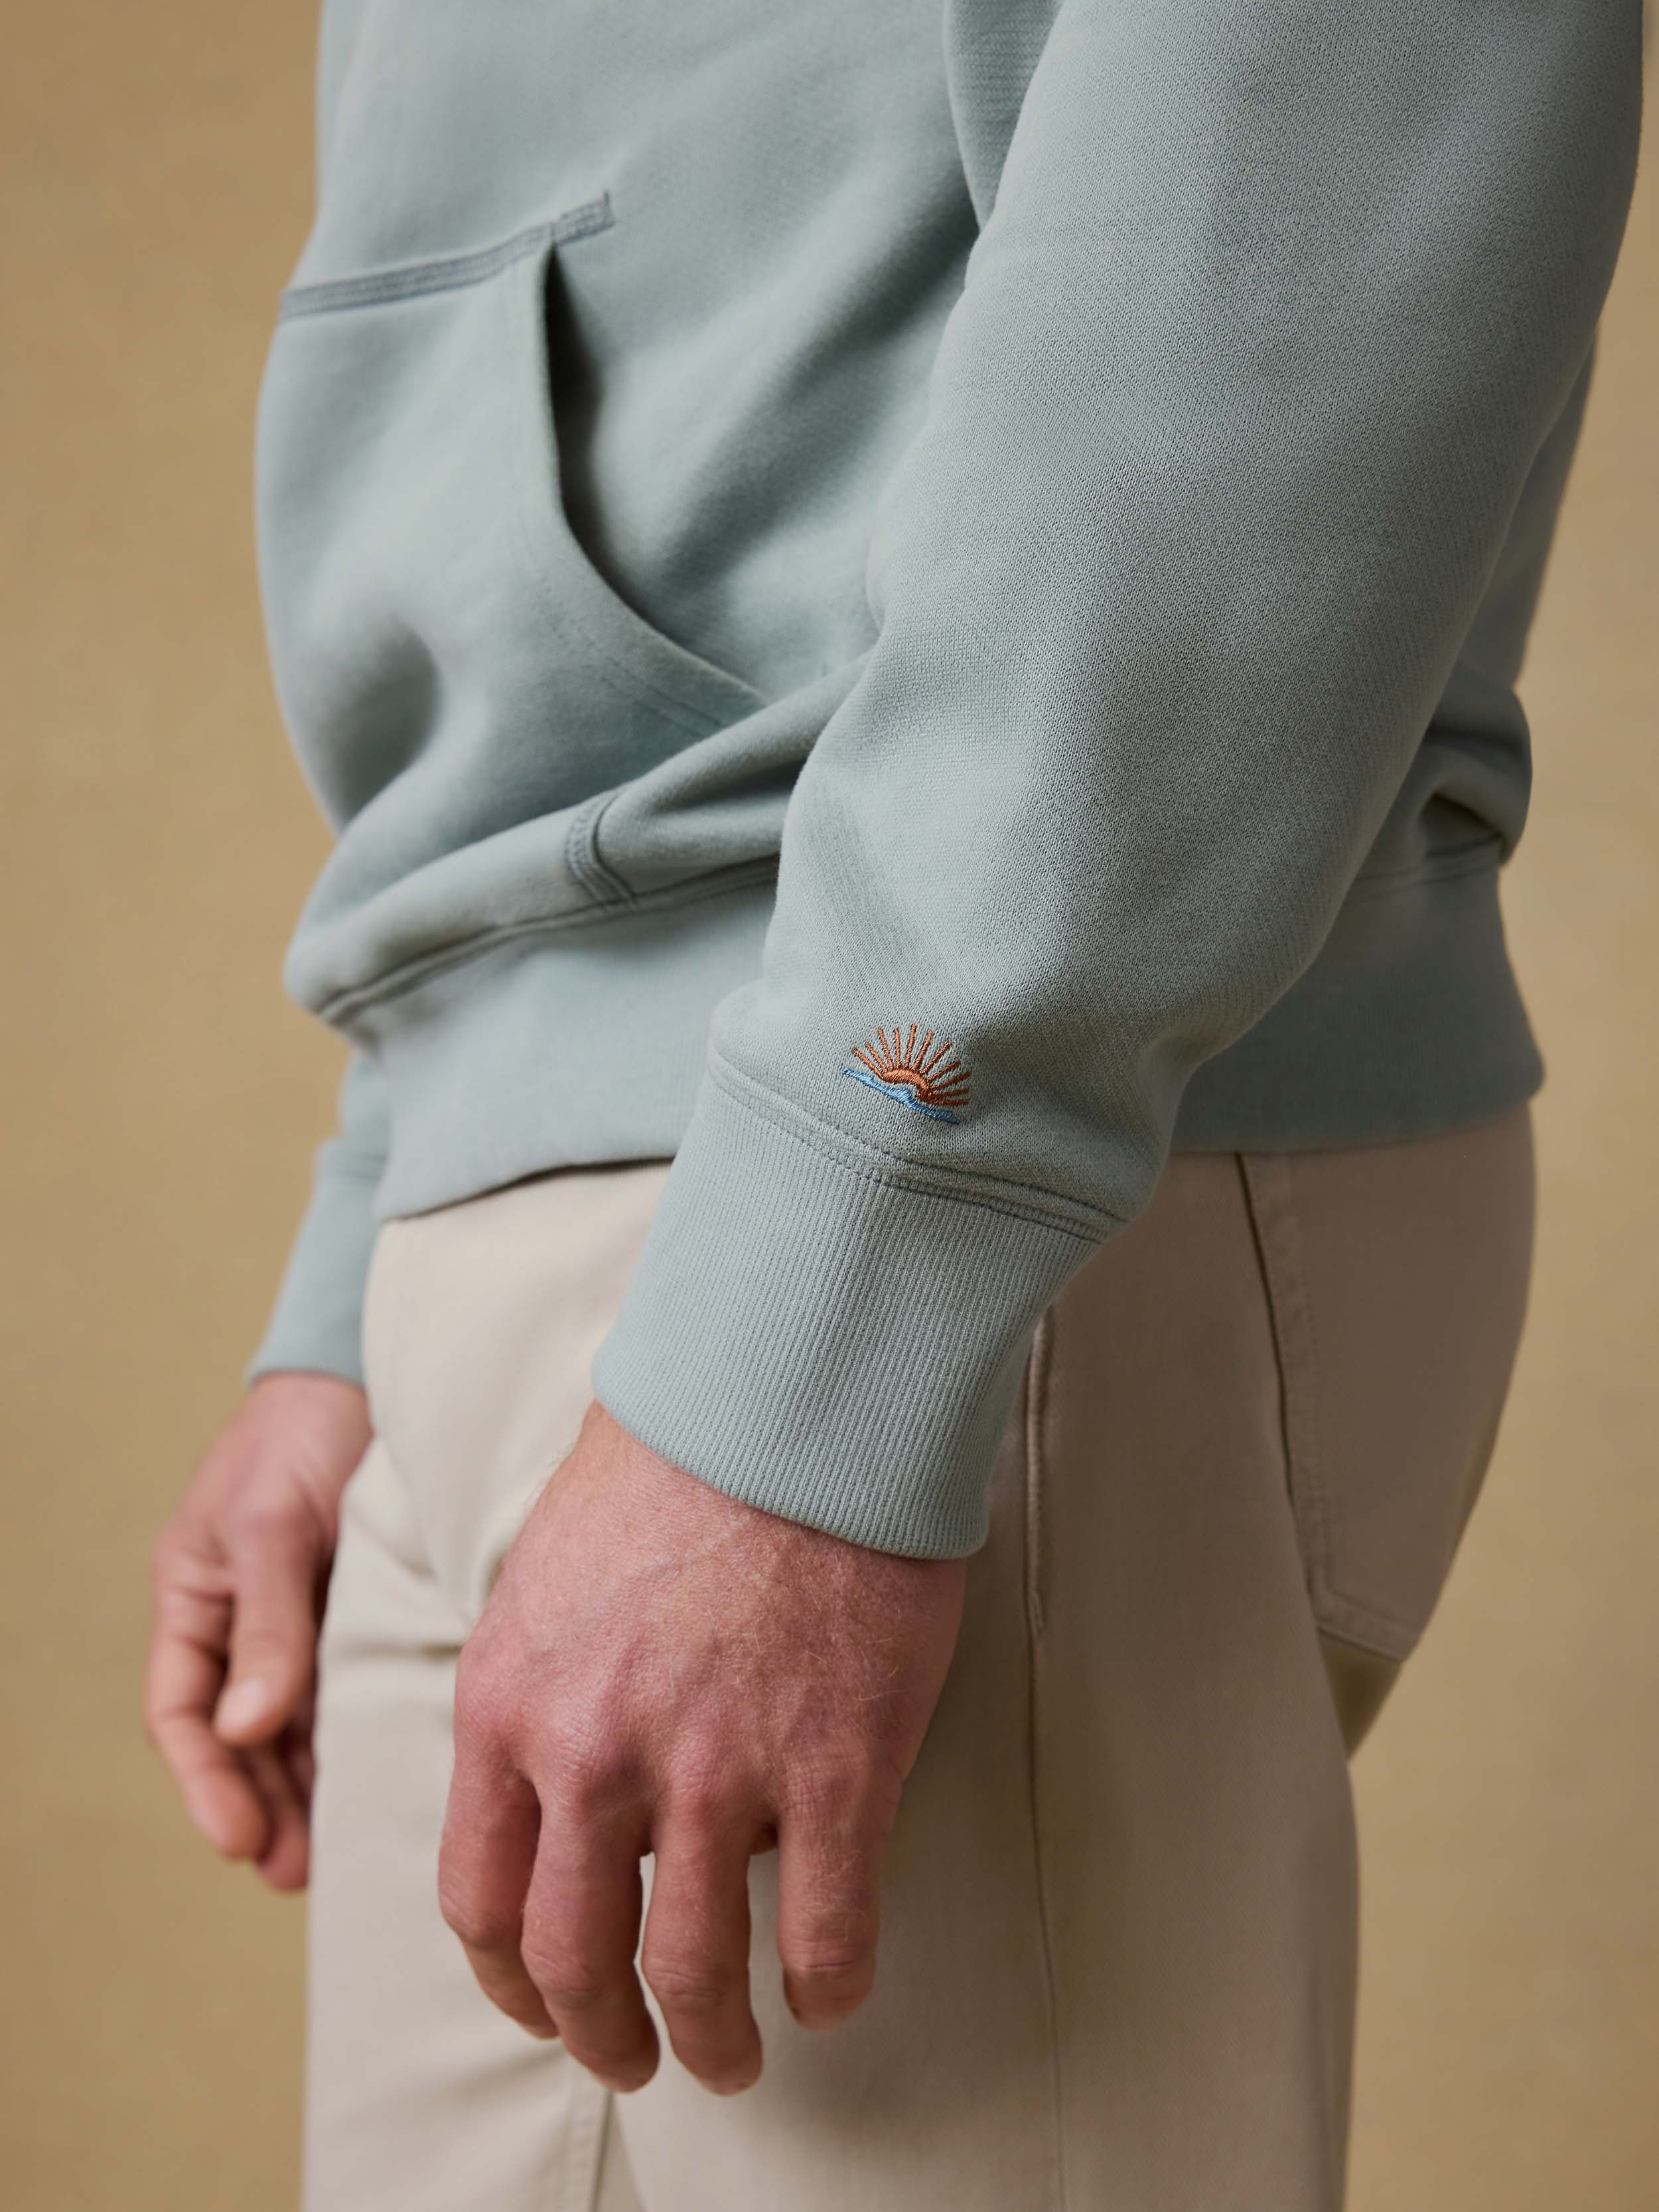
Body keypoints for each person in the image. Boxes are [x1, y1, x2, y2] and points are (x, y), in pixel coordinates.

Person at [145, 5, 1638, 2207]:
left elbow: (1272, 225)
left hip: (948, 1183)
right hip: (558, 1216)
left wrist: (841, 1282)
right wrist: (378, 1238)